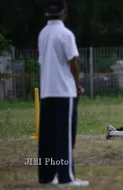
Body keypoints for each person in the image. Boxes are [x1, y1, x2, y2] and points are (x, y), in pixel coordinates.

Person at [37, 0, 89, 187]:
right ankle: (66, 177)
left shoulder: (42, 34)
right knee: (64, 136)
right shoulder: (66, 34)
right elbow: (73, 64)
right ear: (64, 13)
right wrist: (77, 86)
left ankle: (46, 175)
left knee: (47, 136)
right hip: (64, 91)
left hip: (47, 91)